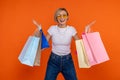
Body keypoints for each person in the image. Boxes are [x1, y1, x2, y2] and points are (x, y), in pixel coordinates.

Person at [33, 8, 95, 80]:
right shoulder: (52, 29)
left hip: (68, 61)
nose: (62, 18)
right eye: (59, 16)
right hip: (53, 61)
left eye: (64, 15)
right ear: (56, 18)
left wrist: (86, 32)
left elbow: (80, 45)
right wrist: (39, 30)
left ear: (67, 17)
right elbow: (43, 46)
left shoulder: (71, 29)